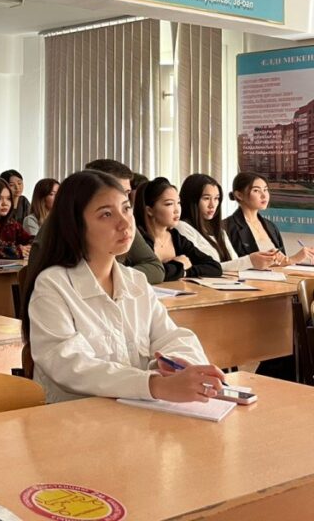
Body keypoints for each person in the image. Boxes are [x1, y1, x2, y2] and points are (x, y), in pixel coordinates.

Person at [22, 169, 223, 404]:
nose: (125, 222)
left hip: (136, 411)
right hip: (76, 416)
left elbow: (171, 336)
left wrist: (182, 365)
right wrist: (153, 385)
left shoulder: (134, 280)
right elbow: (69, 365)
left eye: (126, 208)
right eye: (106, 214)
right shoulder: (53, 285)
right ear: (75, 225)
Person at [28, 159, 164, 284]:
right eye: (106, 213)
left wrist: (113, 277)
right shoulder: (58, 229)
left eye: (126, 193)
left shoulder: (123, 221)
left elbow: (155, 267)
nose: (125, 222)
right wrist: (110, 277)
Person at [176, 174, 277, 273]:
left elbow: (234, 262)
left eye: (216, 198)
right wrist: (250, 261)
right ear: (192, 199)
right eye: (206, 198)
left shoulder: (219, 231)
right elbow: (206, 268)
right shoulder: (182, 227)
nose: (212, 205)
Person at [134, 178, 222, 280]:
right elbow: (144, 274)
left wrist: (184, 272)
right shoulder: (138, 239)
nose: (177, 210)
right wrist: (178, 266)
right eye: (169, 204)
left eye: (179, 203)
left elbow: (215, 267)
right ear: (149, 210)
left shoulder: (176, 237)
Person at [224, 172, 314, 265]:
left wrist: (298, 258)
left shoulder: (271, 226)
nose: (264, 195)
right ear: (239, 195)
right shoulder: (226, 228)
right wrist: (293, 259)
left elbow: (281, 262)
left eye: (265, 190)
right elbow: (227, 266)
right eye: (256, 190)